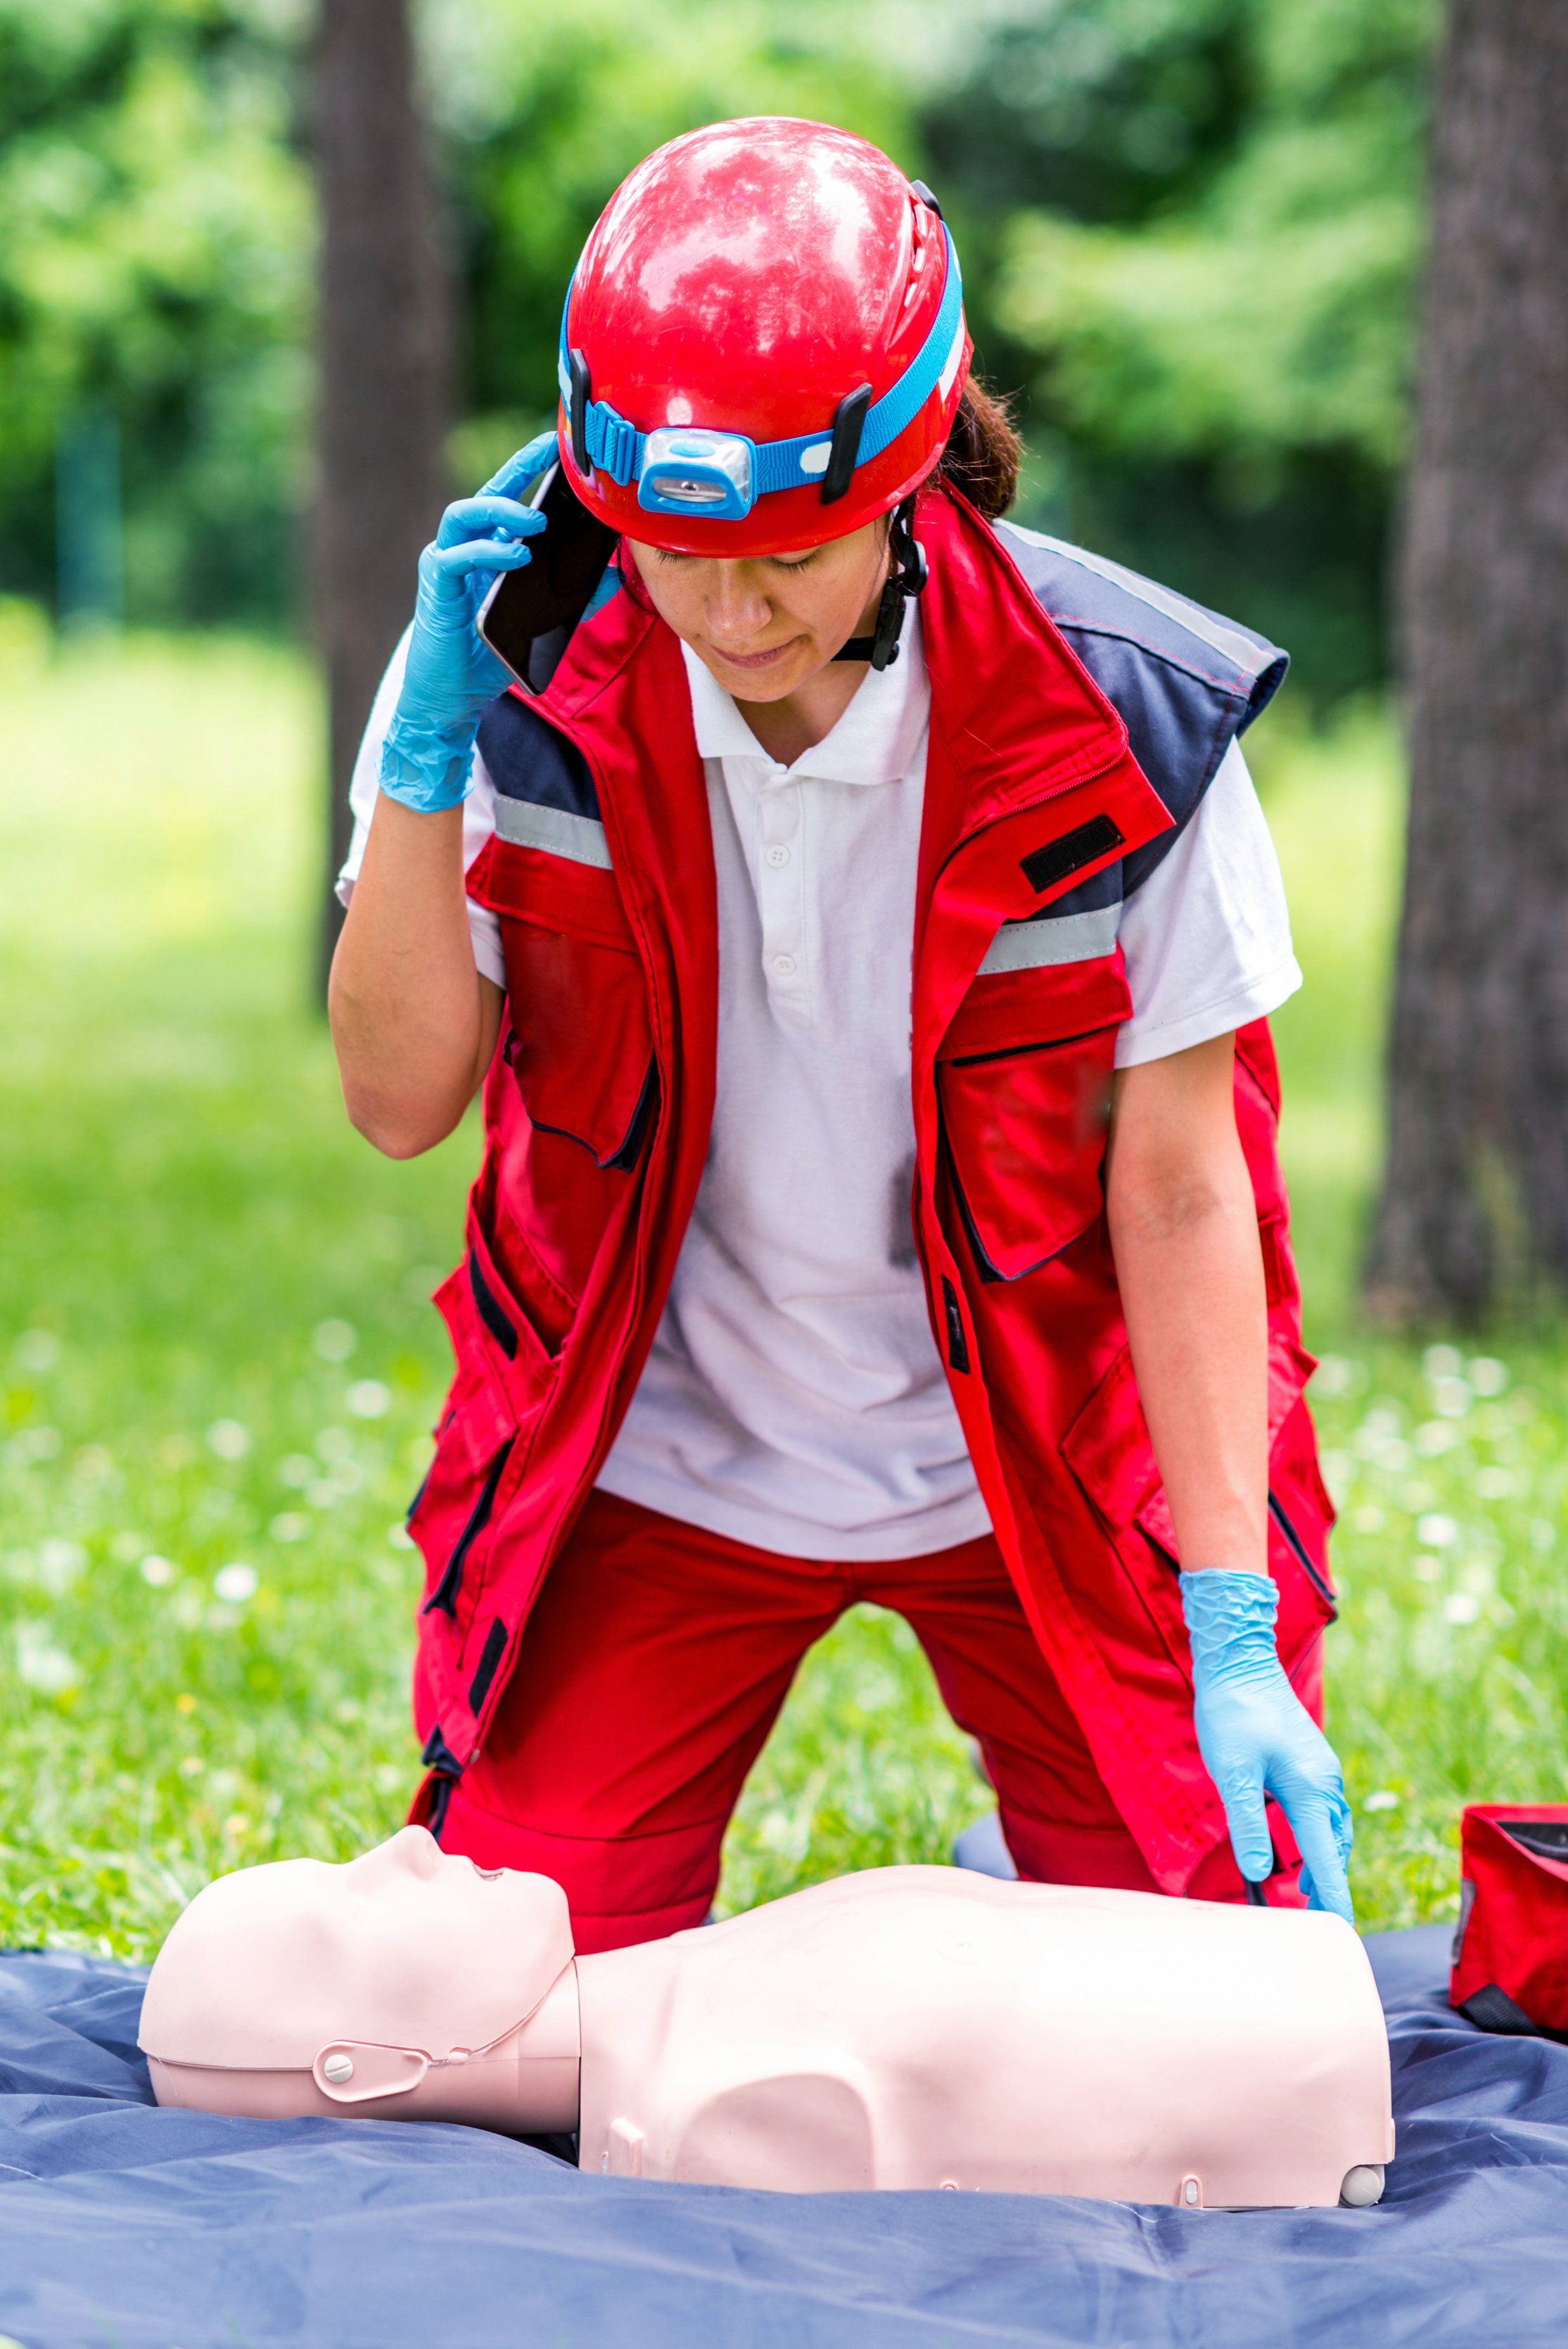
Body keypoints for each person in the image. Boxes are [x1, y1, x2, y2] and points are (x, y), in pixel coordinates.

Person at [329, 116, 1354, 1954]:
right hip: (658, 1462)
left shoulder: (1134, 722)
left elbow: (1190, 1193)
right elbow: (401, 1099)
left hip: (1042, 1472)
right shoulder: (507, 669)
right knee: (506, 2010)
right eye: (673, 551)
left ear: (910, 476)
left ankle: (1045, 1850)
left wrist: (1228, 1620)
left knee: (1228, 1999)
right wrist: (423, 753)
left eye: (790, 552)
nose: (730, 611)